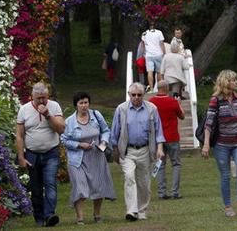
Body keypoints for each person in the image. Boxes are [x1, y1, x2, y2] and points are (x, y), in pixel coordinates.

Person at [110, 82, 166, 221]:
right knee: (129, 177)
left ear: (143, 95)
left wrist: (160, 148)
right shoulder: (121, 109)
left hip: (145, 150)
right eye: (133, 95)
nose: (136, 97)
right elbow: (115, 131)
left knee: (143, 183)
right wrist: (115, 150)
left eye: (139, 95)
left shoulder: (151, 108)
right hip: (127, 151)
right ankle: (131, 210)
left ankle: (141, 210)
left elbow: (158, 130)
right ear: (129, 95)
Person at [200, 70, 237, 217]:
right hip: (221, 144)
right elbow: (209, 123)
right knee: (225, 175)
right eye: (234, 80)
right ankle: (228, 207)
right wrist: (205, 144)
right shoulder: (215, 100)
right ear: (226, 82)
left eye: (236, 80)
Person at [61, 92, 116, 225]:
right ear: (76, 105)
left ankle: (97, 215)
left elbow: (106, 130)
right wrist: (79, 145)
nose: (84, 106)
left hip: (96, 156)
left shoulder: (96, 115)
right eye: (81, 103)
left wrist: (103, 142)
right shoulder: (69, 121)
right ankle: (80, 218)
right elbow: (63, 139)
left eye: (86, 102)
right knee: (80, 187)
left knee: (98, 186)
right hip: (77, 159)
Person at [16, 82, 65, 227]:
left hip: (51, 152)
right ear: (32, 97)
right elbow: (19, 135)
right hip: (32, 154)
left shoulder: (54, 106)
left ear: (48, 96)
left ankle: (50, 215)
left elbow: (61, 129)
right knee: (36, 188)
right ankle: (39, 218)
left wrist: (48, 115)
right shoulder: (24, 110)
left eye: (44, 98)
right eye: (38, 98)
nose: (42, 101)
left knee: (50, 184)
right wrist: (21, 157)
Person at [149, 80, 185, 200]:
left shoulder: (151, 102)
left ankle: (161, 192)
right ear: (167, 88)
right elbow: (182, 116)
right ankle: (175, 191)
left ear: (157, 88)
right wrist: (178, 103)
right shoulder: (172, 102)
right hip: (172, 137)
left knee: (160, 164)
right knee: (176, 164)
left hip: (158, 139)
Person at [139, 21, 165, 92]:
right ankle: (160, 89)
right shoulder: (159, 32)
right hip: (158, 54)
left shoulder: (144, 33)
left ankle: (151, 89)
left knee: (150, 72)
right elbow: (161, 43)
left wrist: (144, 53)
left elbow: (143, 44)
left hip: (149, 55)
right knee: (159, 72)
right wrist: (164, 53)